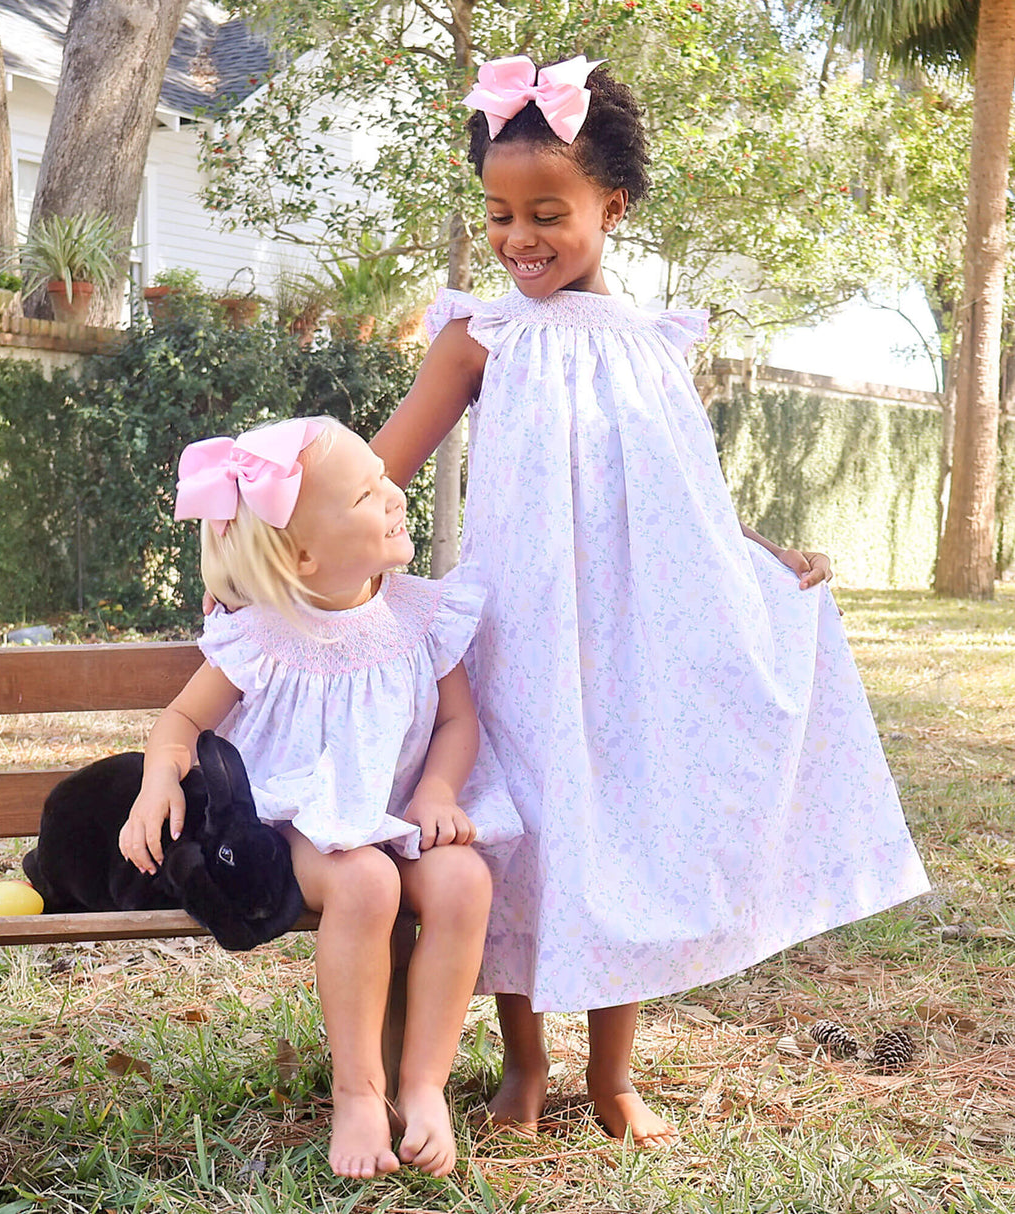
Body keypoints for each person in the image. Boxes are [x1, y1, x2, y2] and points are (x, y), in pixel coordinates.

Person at [371, 54, 931, 1148]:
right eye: (497, 213)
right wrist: (281, 511)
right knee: (520, 835)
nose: (518, 236)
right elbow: (380, 464)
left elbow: (684, 494)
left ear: (610, 207)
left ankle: (614, 1072)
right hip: (517, 630)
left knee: (624, 822)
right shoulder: (478, 335)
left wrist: (764, 556)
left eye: (547, 212)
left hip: (633, 630)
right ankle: (523, 1063)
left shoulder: (654, 345)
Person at [119, 416, 520, 1179]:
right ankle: (359, 1091)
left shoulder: (421, 613)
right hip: (299, 828)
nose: (394, 493)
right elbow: (181, 719)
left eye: (381, 477)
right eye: (368, 493)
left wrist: (438, 788)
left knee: (466, 879)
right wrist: (157, 780)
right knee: (365, 881)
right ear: (304, 554)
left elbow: (460, 720)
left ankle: (424, 1085)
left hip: (403, 813)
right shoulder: (264, 635)